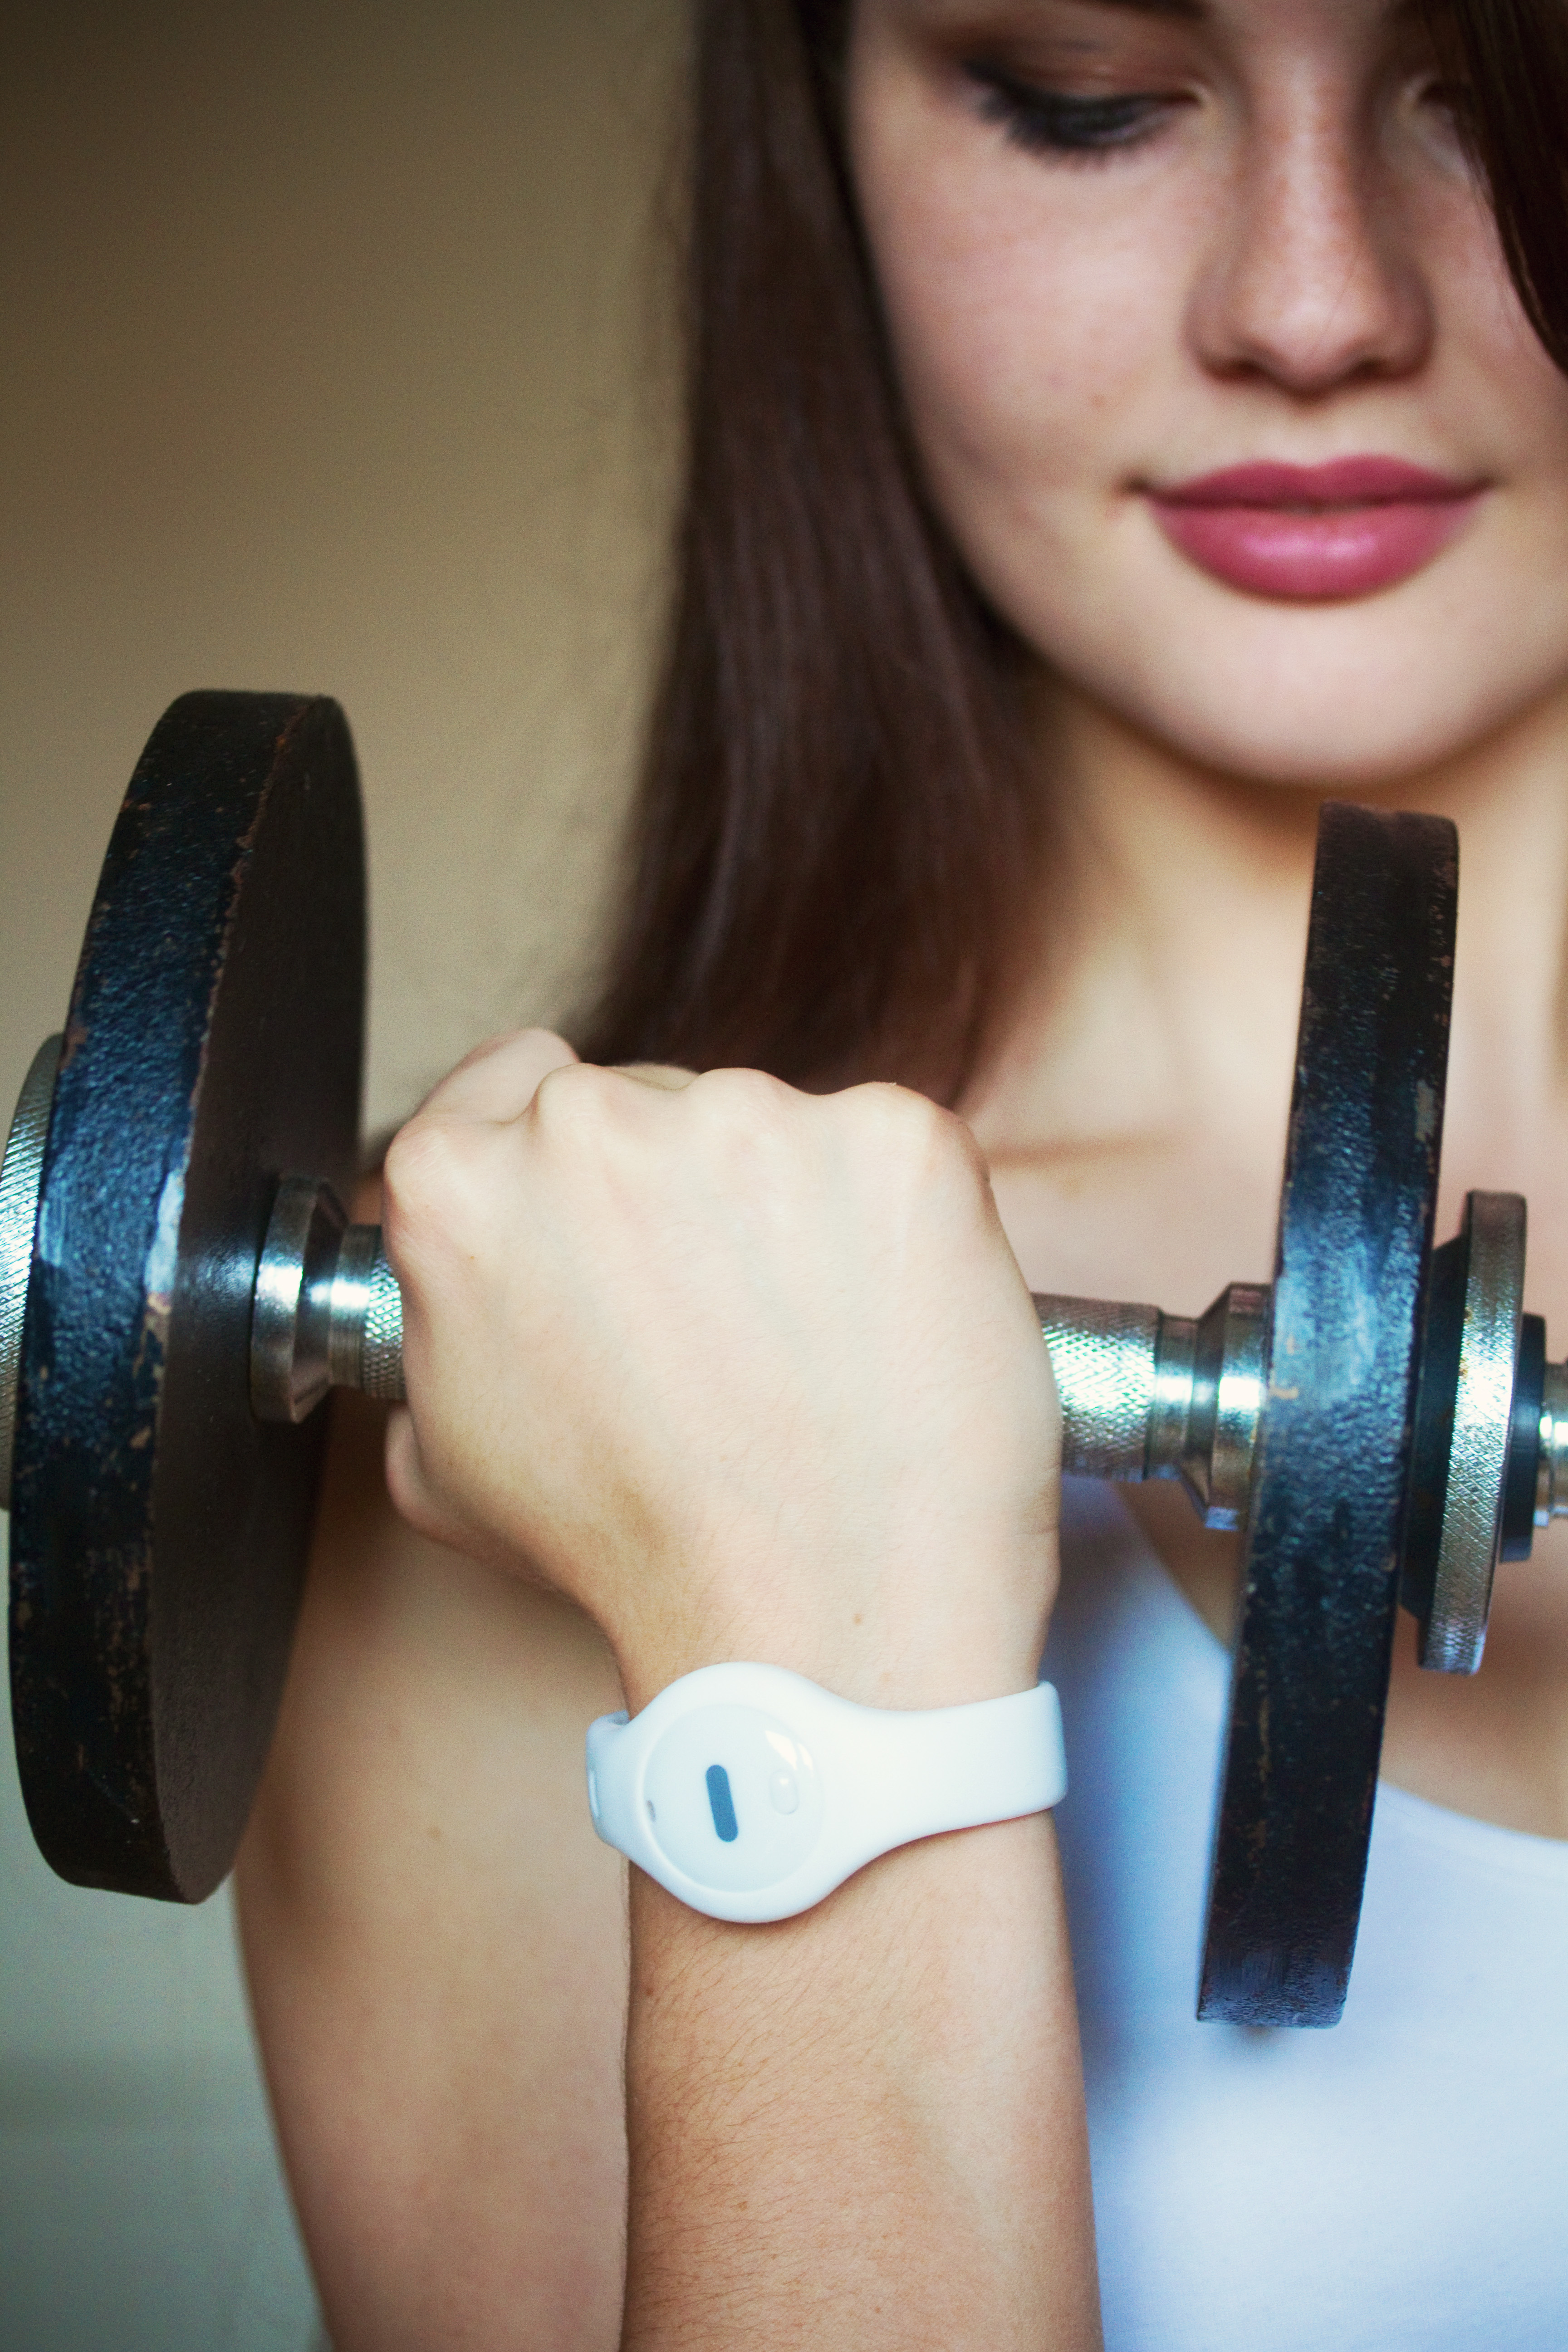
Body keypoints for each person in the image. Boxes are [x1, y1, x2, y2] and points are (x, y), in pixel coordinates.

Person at [236, 2, 1568, 2345]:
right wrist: (798, 1664)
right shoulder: (501, 1407)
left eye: (1511, 87)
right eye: (1084, 98)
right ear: (821, 134)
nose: (1316, 303)